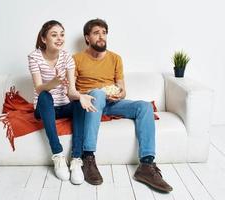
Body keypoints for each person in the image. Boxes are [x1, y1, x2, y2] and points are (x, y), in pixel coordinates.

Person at [73, 19, 173, 192]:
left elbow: (123, 89)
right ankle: (88, 158)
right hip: (90, 103)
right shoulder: (76, 59)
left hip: (112, 103)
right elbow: (72, 90)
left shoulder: (115, 59)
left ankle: (146, 165)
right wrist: (91, 93)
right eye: (96, 33)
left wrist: (119, 93)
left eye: (104, 32)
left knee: (144, 106)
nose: (101, 36)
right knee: (97, 93)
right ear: (87, 38)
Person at [28, 20, 97, 185]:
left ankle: (76, 159)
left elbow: (71, 91)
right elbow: (38, 88)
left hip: (64, 105)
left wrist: (80, 96)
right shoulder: (34, 57)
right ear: (44, 39)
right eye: (54, 35)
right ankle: (58, 155)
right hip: (45, 107)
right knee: (45, 95)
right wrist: (53, 83)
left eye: (62, 34)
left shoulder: (67, 58)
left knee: (79, 103)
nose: (59, 38)